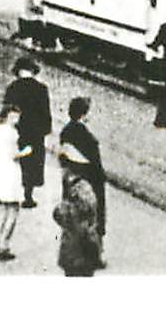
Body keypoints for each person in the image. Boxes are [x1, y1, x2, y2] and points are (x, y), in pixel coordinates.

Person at [3, 57, 52, 208]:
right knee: (32, 162)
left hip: (18, 129)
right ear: (33, 71)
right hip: (35, 130)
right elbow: (46, 112)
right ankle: (28, 196)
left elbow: (6, 110)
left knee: (15, 160)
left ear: (18, 71)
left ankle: (9, 193)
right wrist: (46, 129)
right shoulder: (41, 88)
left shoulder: (12, 87)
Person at [59, 96, 106, 248]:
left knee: (73, 214)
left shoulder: (66, 131)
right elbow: (94, 162)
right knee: (92, 215)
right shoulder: (86, 136)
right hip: (89, 178)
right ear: (84, 115)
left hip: (71, 177)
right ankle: (93, 249)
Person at [0, 104, 26, 261]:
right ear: (8, 116)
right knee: (14, 209)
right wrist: (26, 151)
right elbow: (14, 155)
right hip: (10, 174)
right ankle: (4, 245)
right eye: (15, 116)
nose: (17, 119)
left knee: (5, 209)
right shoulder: (12, 133)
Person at [54, 143, 103, 277]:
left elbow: (88, 208)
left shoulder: (81, 187)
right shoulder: (73, 184)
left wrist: (63, 210)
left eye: (64, 165)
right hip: (76, 242)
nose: (62, 169)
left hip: (80, 242)